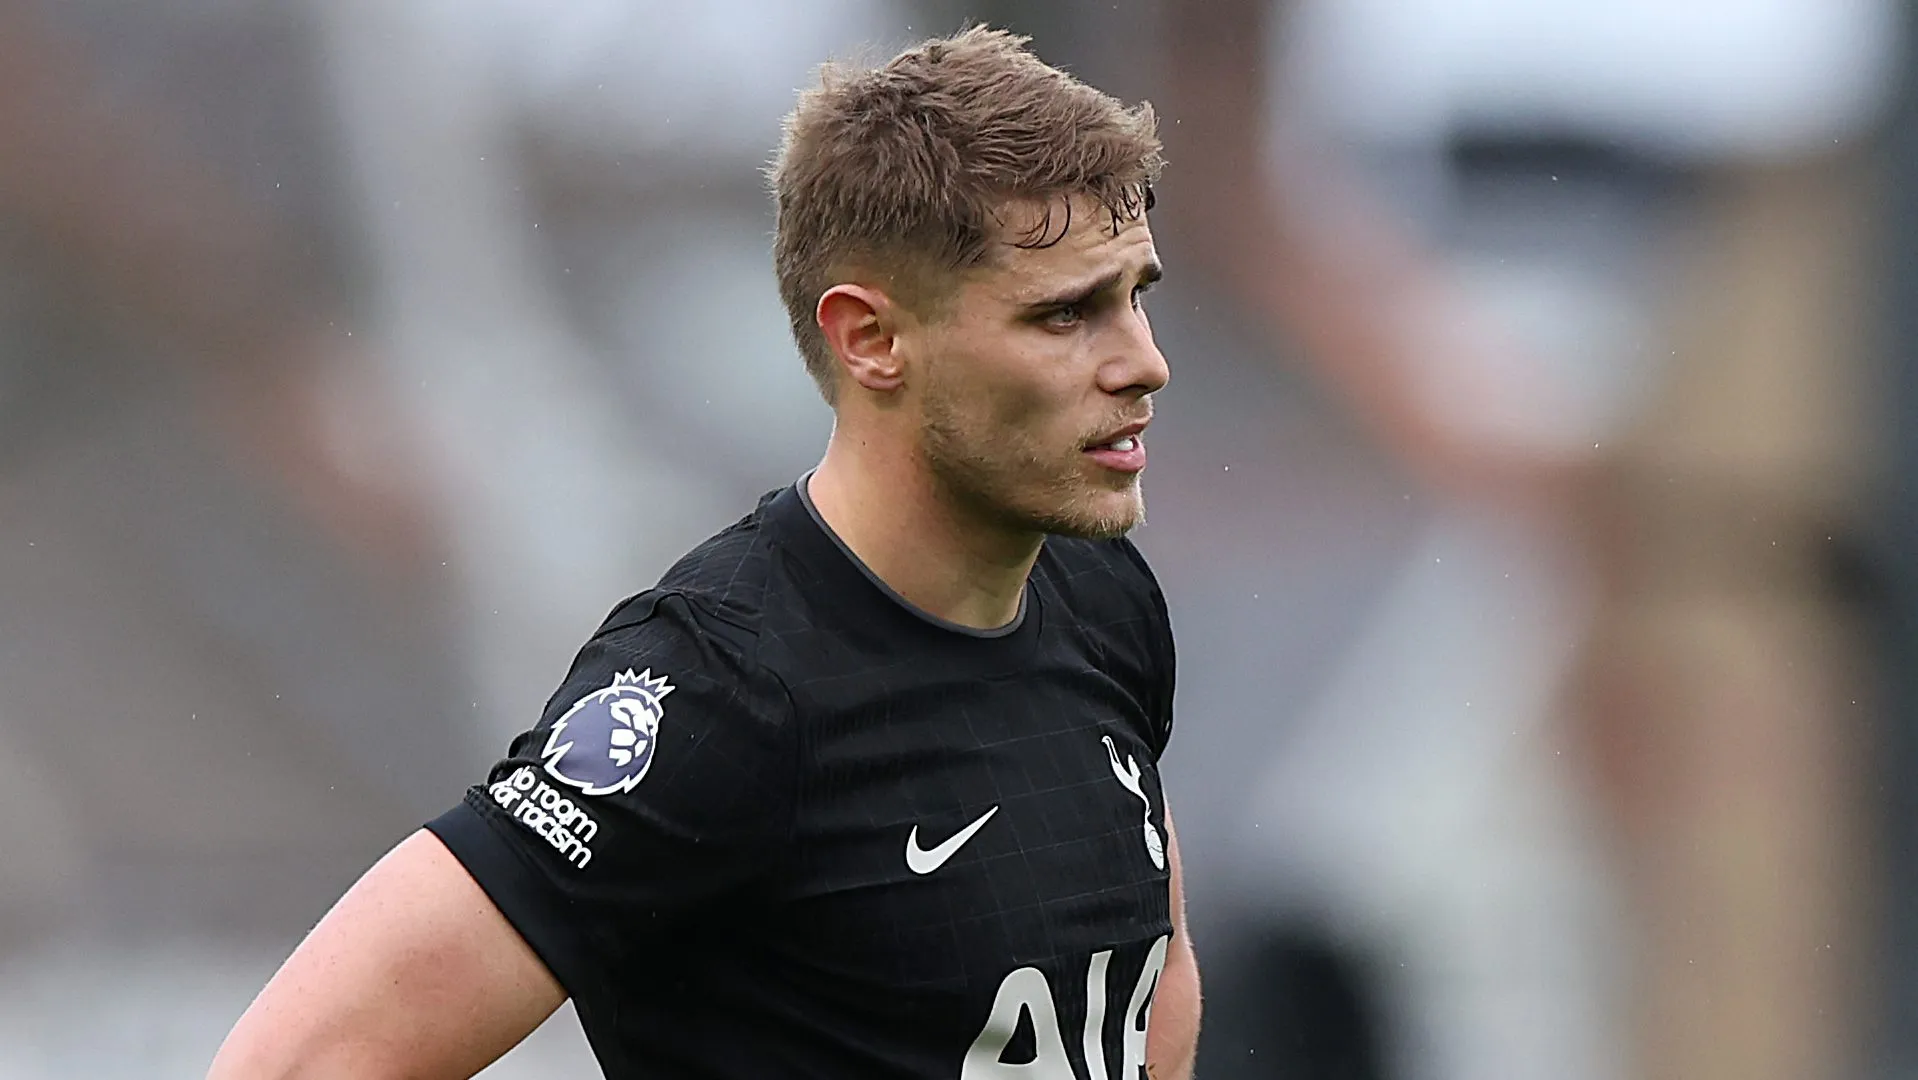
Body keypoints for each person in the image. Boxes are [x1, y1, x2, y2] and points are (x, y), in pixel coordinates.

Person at [208, 25, 1200, 1079]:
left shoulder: (1099, 596)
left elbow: (1153, 971)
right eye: (1063, 315)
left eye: (1134, 295)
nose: (1145, 363)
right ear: (870, 338)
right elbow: (299, 1062)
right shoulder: (718, 689)